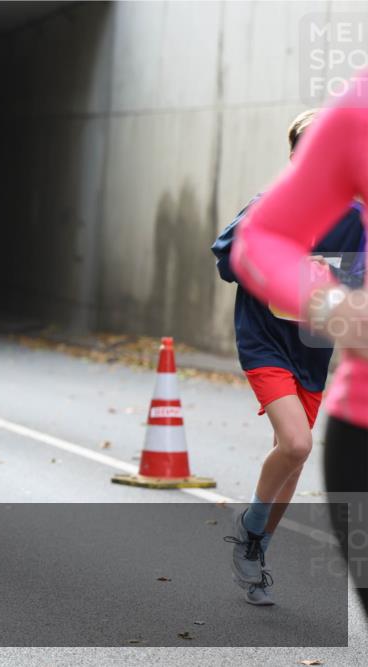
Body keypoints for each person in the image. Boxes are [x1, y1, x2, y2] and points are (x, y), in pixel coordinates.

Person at [213, 109, 365, 605]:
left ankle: (256, 548)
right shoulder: (269, 207)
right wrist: (290, 268)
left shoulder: (357, 222)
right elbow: (231, 257)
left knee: (292, 461)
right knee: (297, 444)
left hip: (313, 350)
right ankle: (251, 529)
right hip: (263, 341)